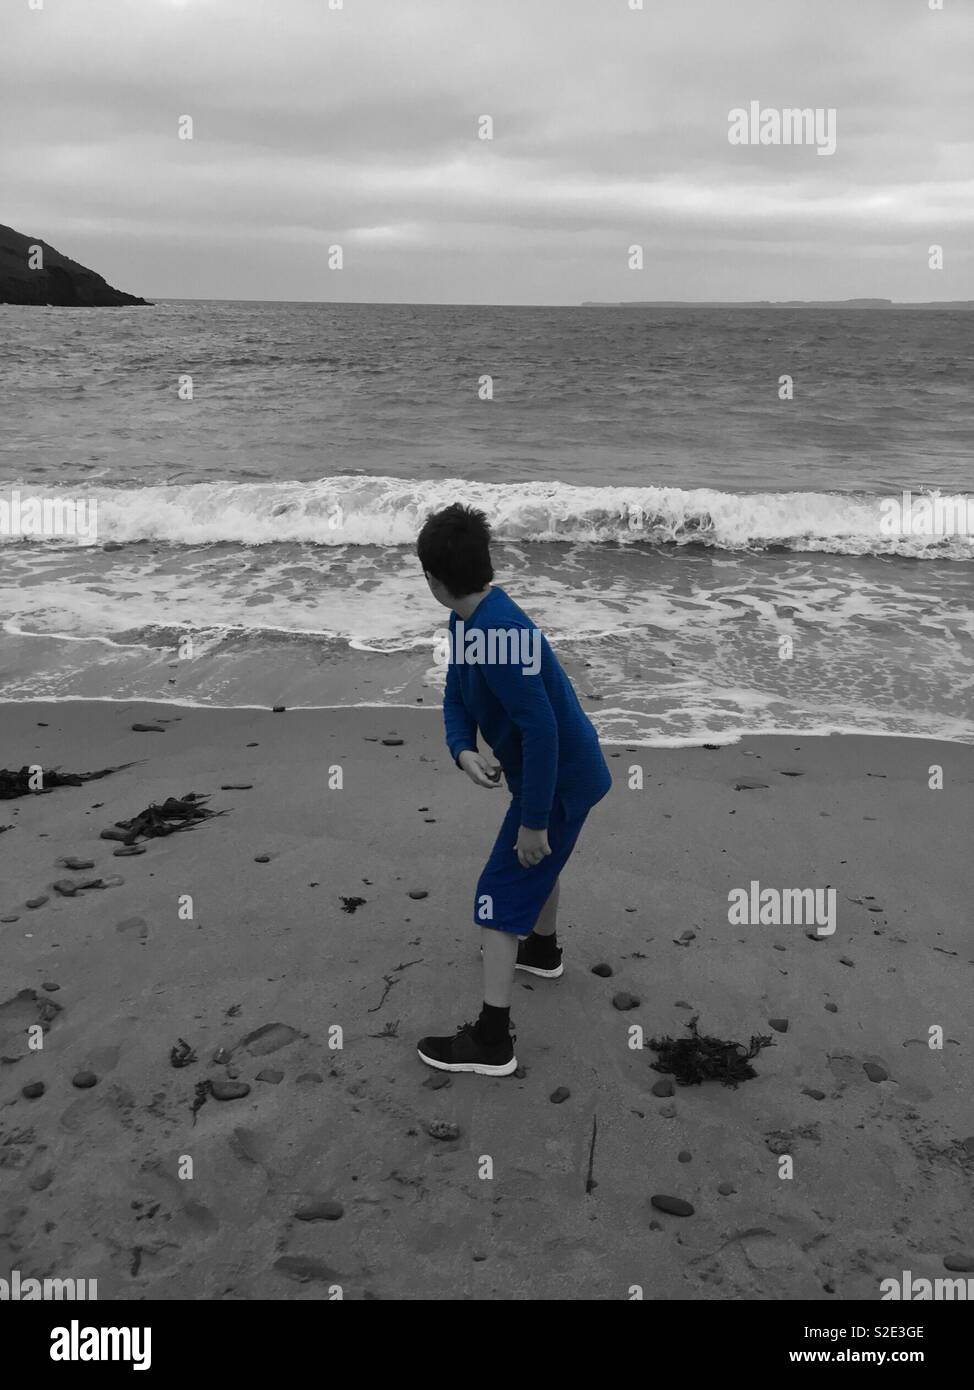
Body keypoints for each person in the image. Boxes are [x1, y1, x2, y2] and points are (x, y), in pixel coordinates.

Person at [415, 503, 612, 1075]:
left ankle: (492, 1041)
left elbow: (543, 729)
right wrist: (463, 748)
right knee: (537, 866)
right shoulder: (469, 619)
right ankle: (543, 951)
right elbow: (456, 691)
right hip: (555, 776)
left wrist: (532, 821)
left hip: (560, 780)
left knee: (497, 897)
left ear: (433, 580)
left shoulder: (501, 633)